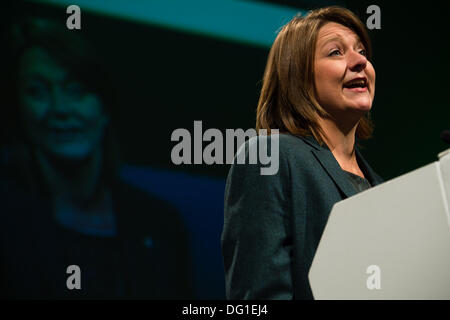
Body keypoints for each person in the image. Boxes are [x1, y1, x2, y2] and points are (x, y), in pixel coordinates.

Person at [0, 17, 193, 299]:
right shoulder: (8, 217)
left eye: (75, 90)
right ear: (18, 110)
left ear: (104, 106)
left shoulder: (161, 224)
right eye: (37, 91)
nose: (59, 108)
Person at [221, 6, 384, 300]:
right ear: (298, 76)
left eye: (362, 52)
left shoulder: (382, 188)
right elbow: (260, 294)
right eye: (336, 52)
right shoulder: (269, 157)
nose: (360, 61)